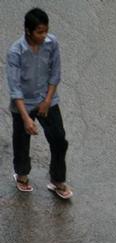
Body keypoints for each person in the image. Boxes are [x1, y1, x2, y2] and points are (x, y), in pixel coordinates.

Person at [6, 8, 72, 199]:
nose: (44, 35)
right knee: (21, 141)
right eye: (39, 32)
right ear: (28, 31)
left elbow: (55, 73)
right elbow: (15, 88)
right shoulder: (15, 52)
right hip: (22, 104)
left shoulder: (51, 43)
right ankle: (22, 174)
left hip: (47, 99)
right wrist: (26, 118)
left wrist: (48, 100)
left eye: (45, 31)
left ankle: (58, 180)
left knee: (59, 139)